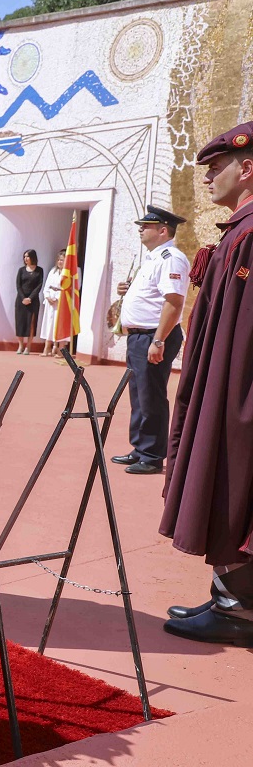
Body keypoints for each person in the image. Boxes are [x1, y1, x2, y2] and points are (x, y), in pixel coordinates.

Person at [160, 122, 253, 646]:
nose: (209, 177)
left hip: (236, 389)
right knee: (223, 482)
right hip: (224, 383)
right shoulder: (238, 231)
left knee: (235, 483)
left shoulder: (250, 234)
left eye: (217, 168)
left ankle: (239, 610)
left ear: (247, 169)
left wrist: (230, 397)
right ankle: (228, 596)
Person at [110, 206, 189, 476]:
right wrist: (128, 290)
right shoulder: (153, 258)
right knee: (138, 395)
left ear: (163, 230)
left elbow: (174, 301)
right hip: (139, 337)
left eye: (146, 225)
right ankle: (140, 447)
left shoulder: (171, 258)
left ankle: (152, 455)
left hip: (153, 336)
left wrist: (158, 340)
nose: (141, 229)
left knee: (151, 396)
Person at [14, 249, 44, 355]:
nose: (25, 258)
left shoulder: (39, 270)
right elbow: (18, 285)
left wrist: (30, 298)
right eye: (24, 257)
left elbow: (39, 286)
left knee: (31, 324)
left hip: (33, 301)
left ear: (33, 257)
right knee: (20, 323)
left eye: (28, 256)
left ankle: (28, 346)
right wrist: (23, 298)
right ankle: (21, 345)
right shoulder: (21, 270)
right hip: (21, 301)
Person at [38, 249, 66, 356]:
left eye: (62, 260)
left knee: (59, 325)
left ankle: (60, 350)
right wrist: (48, 297)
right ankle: (47, 348)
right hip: (51, 301)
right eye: (59, 260)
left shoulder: (68, 273)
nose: (60, 262)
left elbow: (70, 289)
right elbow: (46, 286)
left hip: (61, 302)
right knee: (49, 324)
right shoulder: (53, 271)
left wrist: (60, 298)